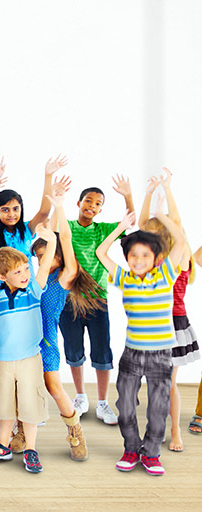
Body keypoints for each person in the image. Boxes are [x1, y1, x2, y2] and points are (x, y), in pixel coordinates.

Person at [0, 156, 68, 426]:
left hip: (27, 301)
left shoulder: (25, 231)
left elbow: (45, 213)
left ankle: (29, 407)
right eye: (5, 210)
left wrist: (47, 176)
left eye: (15, 208)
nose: (11, 214)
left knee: (28, 353)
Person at [97, 209, 185, 476]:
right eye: (133, 255)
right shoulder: (124, 279)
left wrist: (162, 215)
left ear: (156, 258)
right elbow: (102, 253)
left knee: (158, 409)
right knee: (124, 407)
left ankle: (152, 454)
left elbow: (180, 242)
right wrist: (120, 227)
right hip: (132, 355)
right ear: (127, 258)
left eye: (145, 255)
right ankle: (132, 449)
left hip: (160, 355)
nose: (138, 260)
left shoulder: (165, 275)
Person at [0, 227, 57, 474]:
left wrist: (50, 238)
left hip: (30, 359)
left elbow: (43, 268)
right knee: (4, 405)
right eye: (17, 272)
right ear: (2, 276)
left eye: (25, 269)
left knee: (30, 404)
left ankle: (31, 449)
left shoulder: (33, 289)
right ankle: (2, 445)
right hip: (2, 361)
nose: (24, 274)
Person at [22, 190, 96, 461]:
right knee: (24, 388)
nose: (43, 260)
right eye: (39, 256)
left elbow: (64, 237)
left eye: (47, 255)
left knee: (54, 387)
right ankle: (21, 431)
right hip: (24, 341)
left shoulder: (64, 278)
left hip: (47, 342)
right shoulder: (34, 278)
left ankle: (75, 430)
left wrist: (60, 208)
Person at [61, 175, 135, 425]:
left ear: (101, 209)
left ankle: (103, 403)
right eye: (88, 201)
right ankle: (80, 397)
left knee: (102, 352)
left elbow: (130, 223)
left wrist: (127, 194)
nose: (91, 206)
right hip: (69, 300)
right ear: (79, 202)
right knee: (73, 351)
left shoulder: (104, 230)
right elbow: (53, 228)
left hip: (97, 301)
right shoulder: (68, 226)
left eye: (97, 203)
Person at [138, 168, 198, 451]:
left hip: (173, 323)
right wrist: (149, 194)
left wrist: (168, 189)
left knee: (169, 384)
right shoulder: (150, 258)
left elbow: (177, 223)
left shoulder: (181, 255)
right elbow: (140, 226)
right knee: (154, 384)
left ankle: (175, 432)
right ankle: (157, 429)